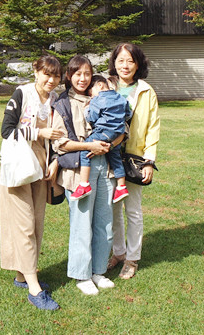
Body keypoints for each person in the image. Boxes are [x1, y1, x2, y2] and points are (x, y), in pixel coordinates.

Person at [51, 55, 121, 295]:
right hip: (78, 171)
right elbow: (60, 143)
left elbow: (122, 128)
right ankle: (82, 275)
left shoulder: (104, 96)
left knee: (105, 222)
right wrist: (90, 146)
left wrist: (108, 146)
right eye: (77, 74)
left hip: (106, 167)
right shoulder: (63, 103)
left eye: (87, 74)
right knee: (82, 224)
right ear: (69, 76)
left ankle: (98, 271)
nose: (83, 78)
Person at [0, 54, 64, 310]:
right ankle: (35, 289)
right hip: (18, 167)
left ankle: (21, 276)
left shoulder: (56, 100)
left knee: (36, 224)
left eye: (56, 76)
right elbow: (6, 130)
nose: (51, 80)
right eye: (47, 74)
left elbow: (59, 135)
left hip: (41, 168)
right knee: (24, 225)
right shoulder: (22, 94)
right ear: (36, 72)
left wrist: (55, 160)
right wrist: (38, 131)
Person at [107, 43, 160, 280]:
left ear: (138, 64)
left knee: (133, 211)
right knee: (113, 209)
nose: (125, 65)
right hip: (107, 156)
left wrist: (149, 161)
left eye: (130, 60)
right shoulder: (106, 86)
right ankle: (118, 252)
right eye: (121, 60)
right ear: (114, 63)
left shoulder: (146, 91)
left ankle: (132, 258)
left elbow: (152, 128)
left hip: (134, 159)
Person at [69, 75, 129, 204]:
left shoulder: (98, 99)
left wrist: (87, 108)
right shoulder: (121, 98)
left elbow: (92, 117)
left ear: (100, 85)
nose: (91, 96)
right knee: (115, 158)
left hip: (103, 132)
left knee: (85, 150)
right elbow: (128, 114)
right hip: (118, 133)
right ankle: (121, 187)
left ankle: (84, 184)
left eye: (91, 93)